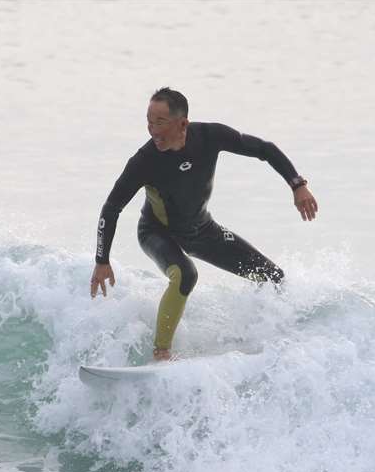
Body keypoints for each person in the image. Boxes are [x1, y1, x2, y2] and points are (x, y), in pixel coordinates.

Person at [89, 87, 318, 361]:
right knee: (186, 274)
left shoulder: (209, 136)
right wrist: (102, 260)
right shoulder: (144, 161)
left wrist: (297, 185)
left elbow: (264, 149)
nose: (153, 130)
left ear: (182, 123)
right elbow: (111, 208)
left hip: (201, 230)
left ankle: (264, 336)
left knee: (272, 278)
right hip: (156, 233)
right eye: (149, 122)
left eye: (160, 122)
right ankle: (161, 353)